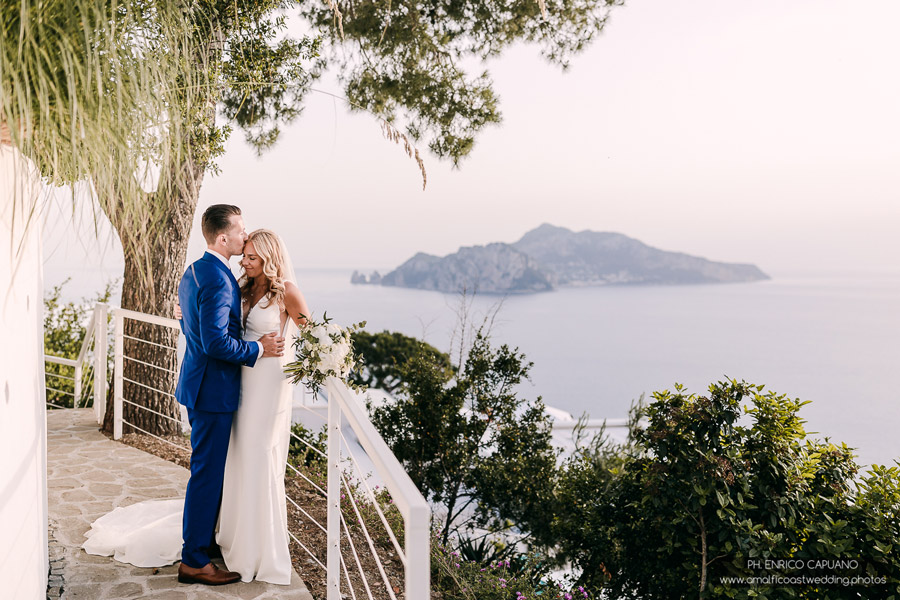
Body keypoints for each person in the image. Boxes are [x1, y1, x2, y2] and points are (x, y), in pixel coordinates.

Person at [82, 208, 309, 588]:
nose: (244, 235)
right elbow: (216, 341)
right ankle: (194, 560)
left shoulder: (196, 270)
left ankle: (215, 539)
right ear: (224, 238)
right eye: (240, 232)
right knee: (206, 475)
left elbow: (197, 324)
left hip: (216, 387)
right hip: (214, 391)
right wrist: (257, 350)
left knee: (217, 470)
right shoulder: (222, 281)